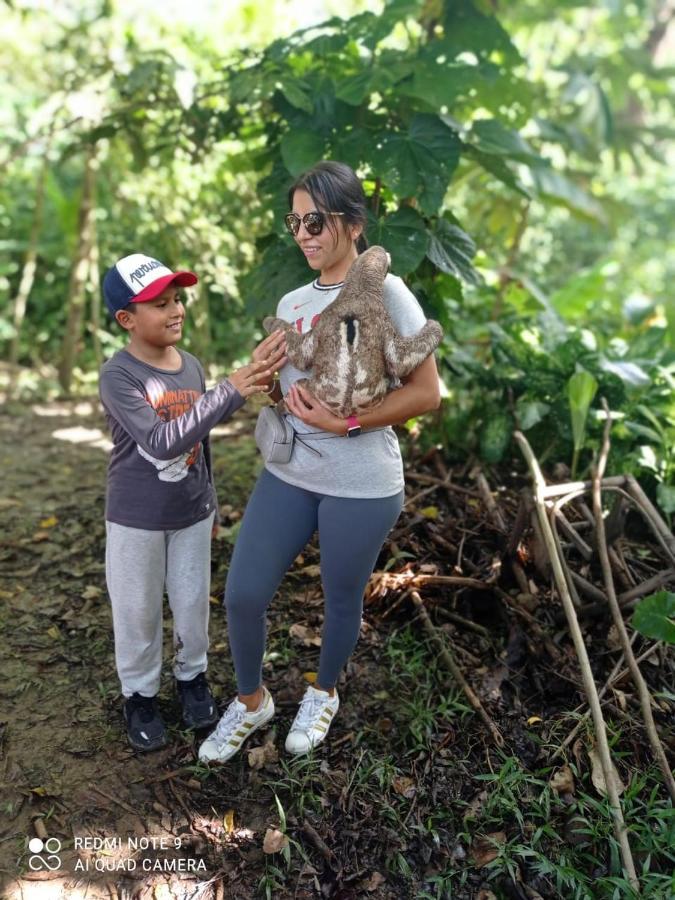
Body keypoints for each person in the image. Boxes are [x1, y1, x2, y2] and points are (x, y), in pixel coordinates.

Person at [199, 161, 441, 764]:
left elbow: (427, 393)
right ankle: (253, 701)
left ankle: (323, 692)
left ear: (352, 223)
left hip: (362, 483)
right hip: (291, 472)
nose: (303, 234)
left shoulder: (387, 291)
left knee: (340, 599)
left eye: (315, 221)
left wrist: (346, 422)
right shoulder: (292, 300)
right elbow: (292, 393)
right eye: (295, 221)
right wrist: (263, 379)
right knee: (244, 594)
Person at [99, 253, 286, 752]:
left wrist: (211, 503)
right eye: (160, 304)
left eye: (178, 299)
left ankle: (192, 679)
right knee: (137, 610)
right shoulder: (119, 376)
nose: (176, 310)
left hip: (190, 513)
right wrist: (230, 391)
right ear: (127, 319)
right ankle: (139, 695)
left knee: (191, 605)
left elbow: (198, 442)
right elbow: (161, 441)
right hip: (136, 518)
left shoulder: (192, 367)